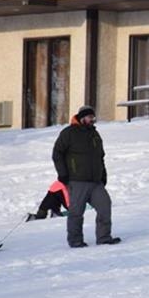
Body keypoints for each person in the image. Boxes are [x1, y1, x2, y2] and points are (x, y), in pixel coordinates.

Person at [52, 105, 120, 247]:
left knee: (105, 205)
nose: (92, 120)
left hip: (96, 182)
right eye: (90, 117)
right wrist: (63, 174)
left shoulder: (95, 134)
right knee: (76, 212)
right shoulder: (68, 133)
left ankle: (104, 237)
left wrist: (103, 175)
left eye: (93, 117)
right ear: (82, 117)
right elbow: (57, 153)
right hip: (77, 181)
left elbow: (100, 157)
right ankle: (75, 241)